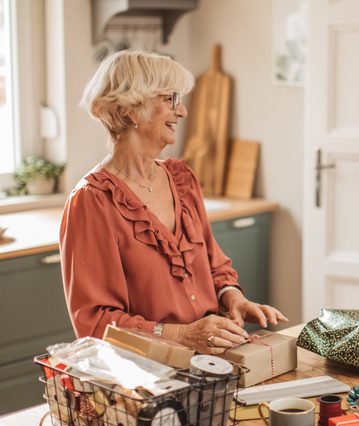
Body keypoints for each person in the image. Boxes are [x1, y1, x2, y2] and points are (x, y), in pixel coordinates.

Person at [61, 50, 287, 354]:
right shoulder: (92, 201)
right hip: (147, 377)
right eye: (170, 99)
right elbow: (95, 323)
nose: (182, 112)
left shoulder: (181, 178)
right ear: (131, 109)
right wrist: (181, 336)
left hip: (212, 363)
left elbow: (214, 264)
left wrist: (232, 296)